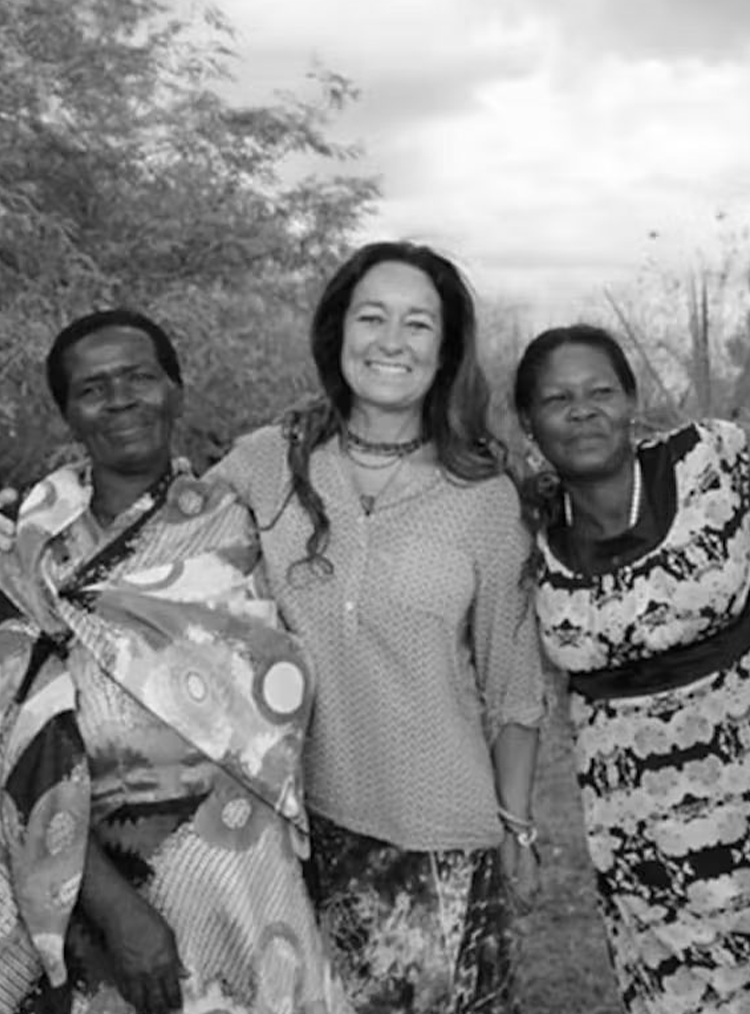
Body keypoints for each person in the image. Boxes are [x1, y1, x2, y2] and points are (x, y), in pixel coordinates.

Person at [208, 241, 547, 1012]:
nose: (392, 341)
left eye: (418, 324)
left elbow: (514, 686)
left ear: (447, 349)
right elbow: (170, 560)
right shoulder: (268, 463)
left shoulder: (485, 497)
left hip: (439, 843)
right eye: (372, 317)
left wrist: (517, 828)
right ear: (338, 334)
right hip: (288, 834)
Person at [0, 309, 350, 1014]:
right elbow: (14, 750)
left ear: (176, 390)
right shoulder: (28, 556)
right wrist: (115, 909)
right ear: (69, 413)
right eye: (93, 388)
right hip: (89, 872)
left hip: (249, 864)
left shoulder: (245, 524)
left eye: (139, 376)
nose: (121, 398)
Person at [513, 323, 750, 1014]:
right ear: (530, 422)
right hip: (636, 822)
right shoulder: (524, 526)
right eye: (558, 398)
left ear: (631, 401)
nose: (582, 409)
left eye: (600, 391)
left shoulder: (714, 459)